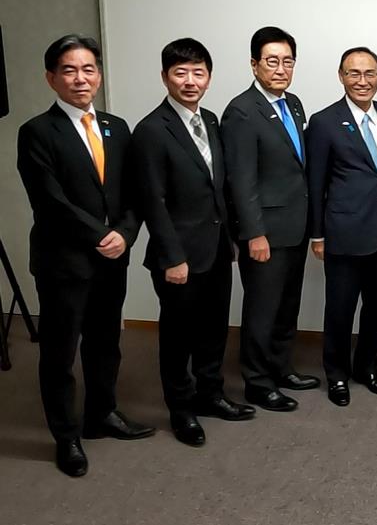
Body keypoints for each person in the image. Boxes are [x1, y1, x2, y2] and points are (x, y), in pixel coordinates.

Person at [17, 34, 154, 477]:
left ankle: (102, 414)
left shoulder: (117, 127)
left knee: (105, 343)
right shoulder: (37, 131)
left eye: (88, 69)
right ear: (51, 78)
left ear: (99, 75)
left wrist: (126, 234)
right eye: (70, 70)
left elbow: (135, 191)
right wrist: (101, 235)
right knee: (60, 352)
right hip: (64, 262)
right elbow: (49, 200)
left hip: (112, 258)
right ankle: (66, 436)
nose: (81, 78)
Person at [133, 38, 256, 448]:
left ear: (209, 77)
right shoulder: (151, 130)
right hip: (178, 255)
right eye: (180, 72)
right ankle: (181, 410)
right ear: (165, 76)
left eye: (198, 72)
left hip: (217, 248)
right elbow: (152, 200)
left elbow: (217, 186)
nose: (190, 81)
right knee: (178, 337)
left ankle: (211, 394)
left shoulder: (212, 121)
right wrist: (172, 256)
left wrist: (232, 238)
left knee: (214, 329)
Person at [222, 26, 319, 412]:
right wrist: (254, 233)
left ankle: (281, 368)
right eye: (272, 61)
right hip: (265, 232)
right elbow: (241, 180)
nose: (281, 69)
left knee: (286, 305)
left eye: (287, 61)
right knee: (262, 309)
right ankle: (258, 382)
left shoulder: (293, 103)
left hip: (294, 225)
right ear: (254, 64)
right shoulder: (242, 111)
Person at [308, 47, 377, 407]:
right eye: (354, 73)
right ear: (341, 76)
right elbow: (315, 182)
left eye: (369, 73)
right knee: (340, 308)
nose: (362, 81)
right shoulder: (324, 121)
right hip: (343, 232)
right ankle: (336, 374)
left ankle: (367, 367)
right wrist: (317, 234)